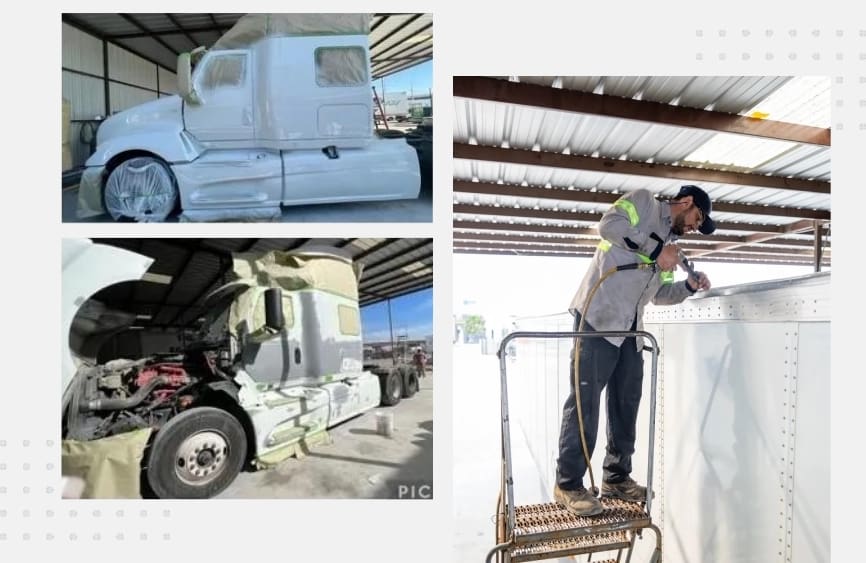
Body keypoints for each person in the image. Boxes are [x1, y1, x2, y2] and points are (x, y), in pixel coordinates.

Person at [554, 184, 715, 516]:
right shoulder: (643, 203)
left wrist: (687, 286)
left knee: (626, 404)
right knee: (585, 405)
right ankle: (568, 484)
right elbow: (609, 226)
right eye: (698, 217)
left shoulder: (672, 247)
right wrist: (656, 252)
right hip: (598, 317)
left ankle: (616, 477)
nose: (696, 226)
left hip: (630, 329)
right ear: (686, 203)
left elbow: (660, 296)